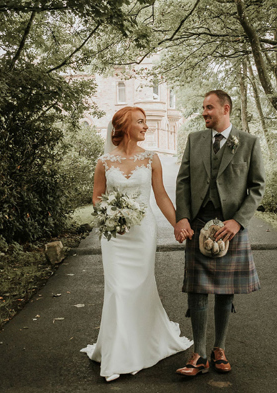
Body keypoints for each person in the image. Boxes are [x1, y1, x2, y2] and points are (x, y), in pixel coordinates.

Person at [81, 106, 193, 382]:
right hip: (115, 238)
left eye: (145, 122)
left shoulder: (151, 159)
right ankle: (118, 353)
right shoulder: (104, 161)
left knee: (141, 287)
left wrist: (179, 223)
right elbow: (97, 197)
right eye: (140, 122)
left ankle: (142, 343)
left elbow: (162, 197)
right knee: (118, 290)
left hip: (142, 234)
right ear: (124, 126)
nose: (146, 127)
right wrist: (109, 215)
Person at [174, 90, 265, 376]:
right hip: (199, 223)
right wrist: (183, 218)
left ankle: (219, 348)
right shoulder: (194, 140)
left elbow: (257, 188)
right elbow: (184, 182)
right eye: (203, 107)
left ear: (225, 109)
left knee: (226, 290)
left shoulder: (248, 143)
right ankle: (199, 354)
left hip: (230, 226)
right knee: (197, 289)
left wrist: (238, 221)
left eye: (209, 108)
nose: (204, 112)